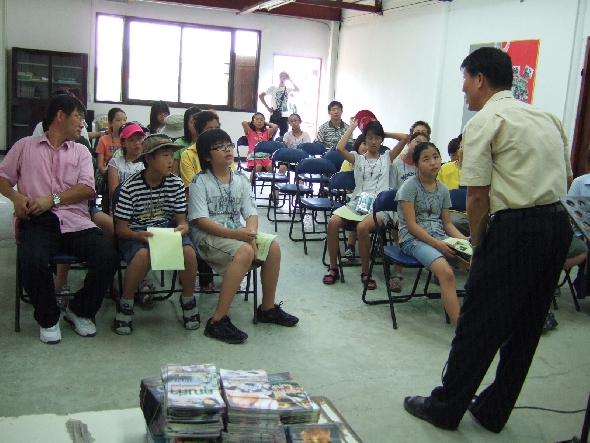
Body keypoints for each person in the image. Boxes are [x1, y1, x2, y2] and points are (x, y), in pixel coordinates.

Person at [403, 47, 572, 433]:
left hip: (514, 229)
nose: (463, 89)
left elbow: (477, 196)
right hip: (556, 226)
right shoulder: (547, 118)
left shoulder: (485, 121)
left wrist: (478, 245)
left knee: (478, 320)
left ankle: (445, 407)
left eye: (465, 80)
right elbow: (563, 177)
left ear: (479, 79)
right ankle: (493, 410)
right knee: (528, 325)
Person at [0, 93, 119, 344]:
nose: (82, 124)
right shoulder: (25, 147)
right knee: (31, 260)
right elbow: (3, 178)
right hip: (37, 219)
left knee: (108, 257)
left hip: (75, 220)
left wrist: (52, 199)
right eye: (78, 117)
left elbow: (87, 188)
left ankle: (79, 310)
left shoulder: (81, 151)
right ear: (60, 116)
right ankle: (48, 317)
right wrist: (16, 197)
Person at [188, 128, 299, 344]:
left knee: (273, 247)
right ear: (207, 156)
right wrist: (241, 237)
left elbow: (250, 213)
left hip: (237, 234)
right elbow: (201, 221)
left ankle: (267, 308)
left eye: (228, 145)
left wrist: (250, 235)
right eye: (219, 147)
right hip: (206, 235)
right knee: (245, 251)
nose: (227, 150)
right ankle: (217, 321)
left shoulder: (240, 179)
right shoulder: (199, 181)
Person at [113, 134, 199, 335]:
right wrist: (137, 236)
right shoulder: (130, 187)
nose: (170, 161)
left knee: (188, 252)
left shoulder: (176, 183)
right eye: (165, 155)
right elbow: (120, 229)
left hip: (167, 230)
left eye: (172, 155)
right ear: (148, 158)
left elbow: (181, 221)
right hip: (136, 231)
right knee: (143, 255)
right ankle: (126, 303)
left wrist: (183, 229)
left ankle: (188, 299)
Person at [323, 118, 408, 289]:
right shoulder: (357, 158)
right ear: (364, 139)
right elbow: (339, 148)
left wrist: (383, 132)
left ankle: (365, 272)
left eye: (377, 138)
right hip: (357, 203)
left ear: (381, 140)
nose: (373, 141)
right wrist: (353, 127)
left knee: (362, 228)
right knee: (332, 222)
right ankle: (333, 268)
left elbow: (405, 137)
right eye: (369, 137)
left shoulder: (387, 158)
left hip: (379, 206)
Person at [396, 141, 469, 326]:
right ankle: (461, 329)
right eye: (426, 159)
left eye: (436, 157)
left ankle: (477, 316)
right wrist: (439, 245)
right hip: (412, 239)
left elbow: (447, 224)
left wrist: (465, 240)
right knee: (446, 272)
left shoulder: (443, 189)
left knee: (478, 264)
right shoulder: (409, 187)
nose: (433, 162)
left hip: (439, 237)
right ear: (417, 165)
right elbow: (411, 226)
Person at [388, 131, 431, 292]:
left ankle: (436, 264)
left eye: (423, 143)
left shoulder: (425, 168)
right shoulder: (397, 165)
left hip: (420, 210)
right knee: (405, 226)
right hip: (398, 209)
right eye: (416, 141)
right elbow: (391, 192)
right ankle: (397, 272)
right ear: (409, 143)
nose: (418, 145)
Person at [340, 134, 368, 263]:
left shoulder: (377, 161)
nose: (367, 147)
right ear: (358, 145)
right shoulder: (351, 159)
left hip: (368, 197)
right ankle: (350, 246)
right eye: (364, 143)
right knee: (357, 213)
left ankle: (376, 246)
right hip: (351, 196)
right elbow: (344, 183)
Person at [179, 111, 222, 190]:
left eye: (217, 129)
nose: (215, 133)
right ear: (198, 132)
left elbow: (233, 181)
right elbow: (193, 188)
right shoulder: (188, 155)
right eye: (210, 130)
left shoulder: (224, 151)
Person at [437, 135, 469, 236]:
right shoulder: (444, 169)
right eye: (462, 147)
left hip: (475, 215)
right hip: (450, 213)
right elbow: (437, 195)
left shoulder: (482, 171)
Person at [259, 71, 300, 136]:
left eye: (284, 77)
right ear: (279, 77)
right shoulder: (273, 88)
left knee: (284, 136)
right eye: (281, 77)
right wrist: (268, 108)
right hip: (275, 114)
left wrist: (290, 80)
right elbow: (261, 96)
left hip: (285, 115)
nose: (282, 79)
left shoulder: (288, 89)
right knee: (270, 135)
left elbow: (298, 90)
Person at [241, 112, 279, 181]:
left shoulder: (267, 132)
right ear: (253, 122)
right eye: (257, 119)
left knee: (270, 166)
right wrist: (252, 122)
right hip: (253, 156)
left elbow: (275, 126)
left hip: (264, 156)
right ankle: (250, 183)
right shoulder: (250, 131)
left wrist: (266, 123)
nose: (259, 121)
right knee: (258, 166)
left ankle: (274, 185)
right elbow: (243, 123)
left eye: (261, 120)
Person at [95, 107, 127, 176]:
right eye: (118, 120)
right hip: (107, 173)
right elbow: (100, 165)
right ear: (110, 123)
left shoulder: (128, 140)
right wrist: (109, 177)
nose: (123, 123)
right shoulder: (103, 140)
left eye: (124, 120)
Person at [172, 106, 202, 176]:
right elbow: (174, 171)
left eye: (198, 121)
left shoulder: (208, 143)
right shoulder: (179, 144)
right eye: (192, 122)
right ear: (187, 125)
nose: (196, 125)